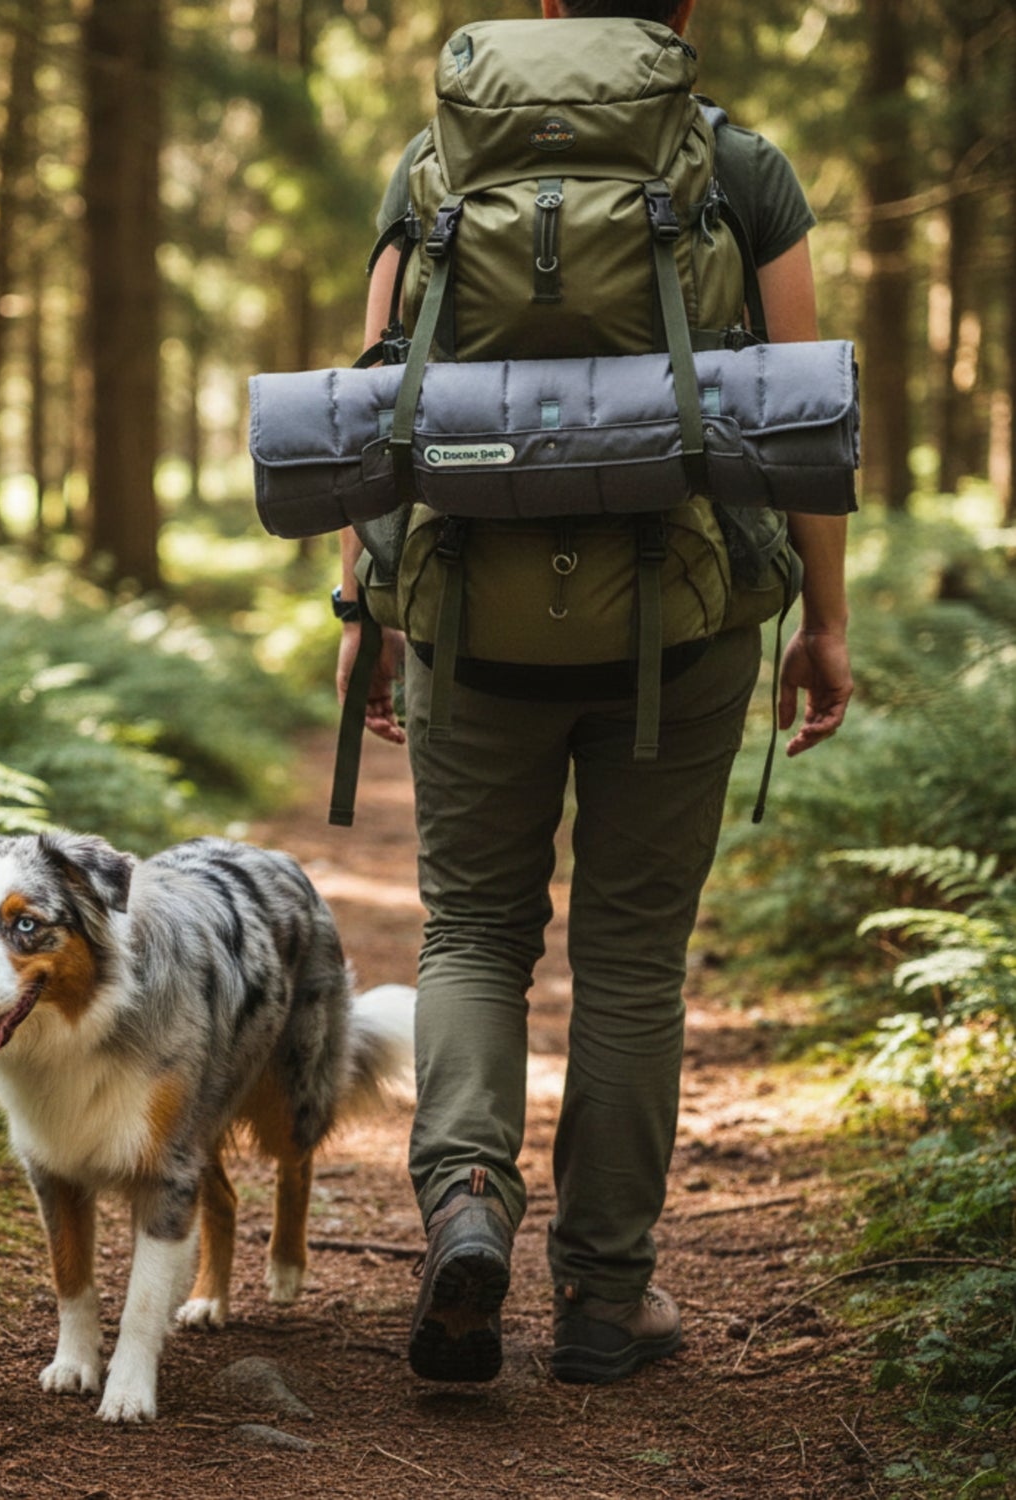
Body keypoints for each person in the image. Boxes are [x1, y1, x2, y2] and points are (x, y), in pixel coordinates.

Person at [337, 0, 854, 1386]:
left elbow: (379, 399)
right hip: (679, 620)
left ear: (550, 9)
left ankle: (462, 1207)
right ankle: (606, 1302)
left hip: (464, 607)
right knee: (630, 960)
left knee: (472, 934)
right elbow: (798, 416)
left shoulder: (436, 159)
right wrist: (830, 621)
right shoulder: (740, 169)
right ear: (683, 14)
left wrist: (362, 607)